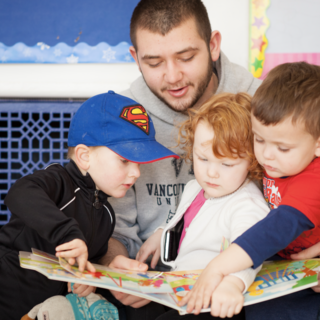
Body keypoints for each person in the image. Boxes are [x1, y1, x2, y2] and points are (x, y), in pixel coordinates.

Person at [105, 0, 261, 280]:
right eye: (154, 62)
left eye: (186, 58)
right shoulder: (121, 119)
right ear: (136, 57)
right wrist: (118, 267)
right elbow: (112, 231)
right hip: (150, 279)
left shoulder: (262, 108)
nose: (173, 77)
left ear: (213, 45)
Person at [0, 90, 179, 320]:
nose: (136, 173)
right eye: (125, 160)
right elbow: (20, 193)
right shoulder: (59, 181)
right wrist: (67, 234)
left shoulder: (106, 215)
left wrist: (90, 276)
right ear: (84, 156)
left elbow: (89, 259)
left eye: (138, 163)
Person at [180, 62, 320, 320]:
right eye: (259, 139)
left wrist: (217, 268)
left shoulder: (313, 180)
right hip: (286, 263)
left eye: (283, 148)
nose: (266, 155)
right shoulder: (279, 159)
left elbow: (274, 229)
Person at [146, 92, 269, 320]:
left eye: (226, 163)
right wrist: (161, 233)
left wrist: (233, 284)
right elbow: (184, 220)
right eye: (203, 159)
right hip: (183, 287)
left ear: (252, 160)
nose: (211, 172)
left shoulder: (247, 205)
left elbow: (251, 252)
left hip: (215, 300)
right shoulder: (195, 187)